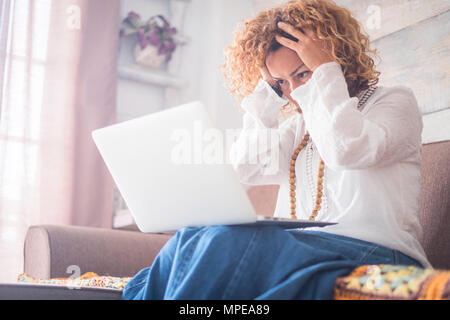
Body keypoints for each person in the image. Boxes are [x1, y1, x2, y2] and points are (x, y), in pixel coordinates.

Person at [122, 0, 430, 300]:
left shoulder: (393, 102)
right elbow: (246, 169)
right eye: (281, 82)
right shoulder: (298, 126)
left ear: (335, 60)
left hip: (379, 251)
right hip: (304, 249)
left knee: (224, 241)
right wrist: (266, 98)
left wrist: (324, 70)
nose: (294, 92)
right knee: (191, 238)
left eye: (302, 73)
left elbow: (345, 150)